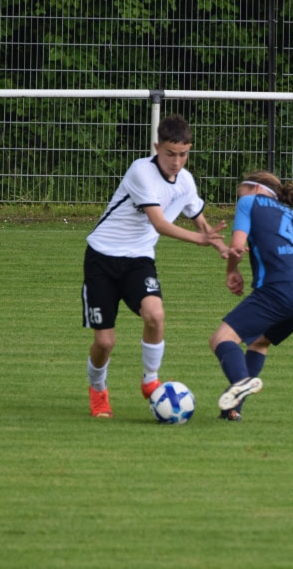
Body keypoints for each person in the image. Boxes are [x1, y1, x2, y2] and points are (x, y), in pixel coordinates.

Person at [82, 114, 227, 418]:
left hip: (139, 260)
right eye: (170, 154)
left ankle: (150, 380)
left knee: (155, 315)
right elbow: (159, 223)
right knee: (105, 342)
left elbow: (198, 218)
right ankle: (98, 389)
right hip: (102, 258)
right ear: (157, 147)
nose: (177, 162)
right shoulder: (141, 171)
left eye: (183, 154)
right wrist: (200, 240)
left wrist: (220, 245)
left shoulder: (185, 181)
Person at [209, 170, 293, 421]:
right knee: (259, 342)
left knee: (221, 339)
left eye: (241, 194)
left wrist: (232, 270)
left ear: (256, 189)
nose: (240, 200)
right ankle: (232, 410)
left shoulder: (249, 202)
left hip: (279, 289)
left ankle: (241, 381)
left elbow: (237, 246)